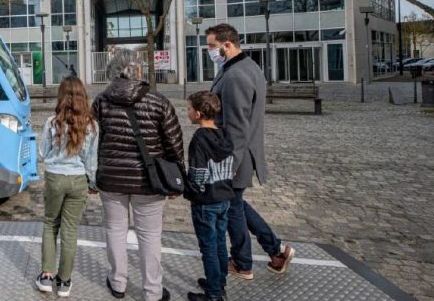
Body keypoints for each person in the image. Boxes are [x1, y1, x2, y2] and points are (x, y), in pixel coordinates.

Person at [91, 48, 184, 301]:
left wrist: (93, 173)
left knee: (115, 230)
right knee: (150, 236)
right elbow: (174, 142)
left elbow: (94, 141)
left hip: (111, 178)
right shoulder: (158, 100)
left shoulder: (101, 100)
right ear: (138, 70)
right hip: (149, 181)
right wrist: (178, 177)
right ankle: (152, 291)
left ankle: (118, 282)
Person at [206, 23, 296, 280]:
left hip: (236, 154)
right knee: (236, 204)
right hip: (243, 151)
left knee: (233, 208)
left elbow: (236, 125)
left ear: (227, 45)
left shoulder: (235, 76)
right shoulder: (247, 67)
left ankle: (244, 262)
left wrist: (229, 164)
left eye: (212, 46)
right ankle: (276, 249)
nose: (209, 51)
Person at [36, 76, 99, 298]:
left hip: (55, 178)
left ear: (61, 97)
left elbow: (43, 153)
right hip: (78, 180)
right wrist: (93, 183)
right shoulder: (91, 125)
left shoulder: (52, 123)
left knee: (50, 223)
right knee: (70, 230)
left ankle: (46, 276)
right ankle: (64, 281)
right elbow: (91, 161)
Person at [184, 91, 235, 301]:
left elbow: (198, 175)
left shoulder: (199, 139)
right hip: (224, 196)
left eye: (188, 109)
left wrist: (189, 188)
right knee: (221, 243)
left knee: (208, 247)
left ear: (197, 113)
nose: (186, 112)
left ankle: (214, 294)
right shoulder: (224, 134)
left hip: (206, 201)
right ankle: (219, 282)